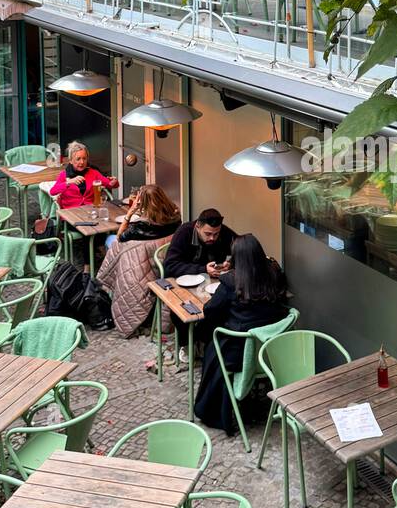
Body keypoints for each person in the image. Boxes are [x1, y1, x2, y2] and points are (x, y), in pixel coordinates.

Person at [194, 234, 289, 436]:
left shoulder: (231, 281)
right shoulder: (274, 274)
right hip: (271, 352)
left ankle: (213, 409)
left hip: (237, 355)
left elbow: (210, 311)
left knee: (211, 345)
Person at [97, 184, 181, 336]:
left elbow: (120, 236)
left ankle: (104, 289)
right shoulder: (175, 217)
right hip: (163, 261)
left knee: (112, 244)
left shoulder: (141, 227)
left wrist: (130, 213)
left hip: (145, 265)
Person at [162, 207, 238, 280]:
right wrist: (203, 269)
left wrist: (230, 263)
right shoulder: (184, 232)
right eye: (208, 234)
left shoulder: (223, 231)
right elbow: (169, 266)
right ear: (197, 227)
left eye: (216, 234)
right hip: (185, 280)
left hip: (213, 279)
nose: (212, 238)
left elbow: (243, 247)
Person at [49, 142, 119, 210]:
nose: (82, 162)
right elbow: (52, 191)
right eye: (78, 159)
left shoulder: (93, 173)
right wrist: (69, 182)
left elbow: (110, 184)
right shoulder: (64, 175)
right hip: (71, 212)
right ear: (70, 161)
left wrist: (114, 182)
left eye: (84, 158)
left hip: (91, 210)